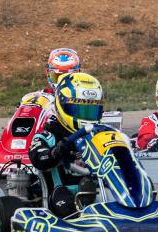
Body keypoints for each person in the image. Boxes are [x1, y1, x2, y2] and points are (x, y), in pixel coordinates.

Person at [28, 71, 104, 217]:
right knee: (67, 204)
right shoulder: (47, 136)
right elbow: (38, 158)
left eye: (91, 111)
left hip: (99, 189)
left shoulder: (100, 134)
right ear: (61, 106)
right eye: (79, 110)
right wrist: (55, 152)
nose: (85, 116)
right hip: (63, 194)